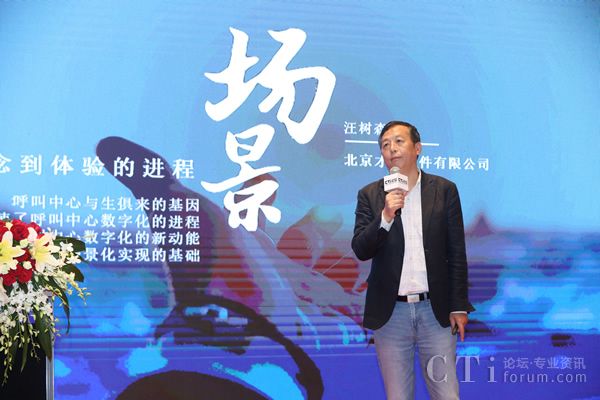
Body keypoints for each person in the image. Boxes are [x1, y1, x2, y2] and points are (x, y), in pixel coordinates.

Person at [351, 121, 474, 400]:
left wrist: (458, 305)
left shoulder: (444, 190)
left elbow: (456, 251)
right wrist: (385, 216)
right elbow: (361, 249)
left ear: (417, 148)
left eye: (398, 142)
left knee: (446, 394)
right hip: (391, 314)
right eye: (385, 145)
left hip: (435, 310)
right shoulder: (370, 195)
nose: (391, 149)